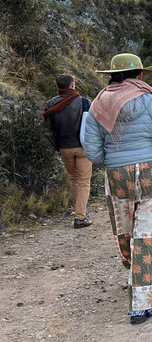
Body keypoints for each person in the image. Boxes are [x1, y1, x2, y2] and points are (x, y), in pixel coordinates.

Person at [83, 53, 152, 324]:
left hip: (117, 175)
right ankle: (142, 303)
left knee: (127, 230)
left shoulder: (97, 105)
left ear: (111, 75)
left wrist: (115, 160)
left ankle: (134, 275)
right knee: (151, 232)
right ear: (139, 74)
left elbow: (92, 152)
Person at [43, 75, 93, 228]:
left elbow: (48, 131)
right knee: (84, 181)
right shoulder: (84, 102)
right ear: (72, 85)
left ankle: (80, 212)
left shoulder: (50, 104)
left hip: (64, 147)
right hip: (83, 147)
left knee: (74, 179)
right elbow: (93, 124)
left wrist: (57, 146)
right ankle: (80, 217)